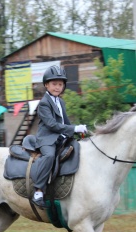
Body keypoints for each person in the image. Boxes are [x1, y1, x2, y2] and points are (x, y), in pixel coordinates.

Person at [31, 65, 87, 209]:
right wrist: (73, 128)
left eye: (60, 84)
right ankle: (38, 191)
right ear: (46, 85)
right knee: (49, 156)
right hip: (47, 138)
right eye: (54, 84)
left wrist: (78, 131)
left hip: (61, 137)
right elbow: (52, 125)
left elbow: (65, 122)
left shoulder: (60, 101)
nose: (57, 87)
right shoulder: (43, 103)